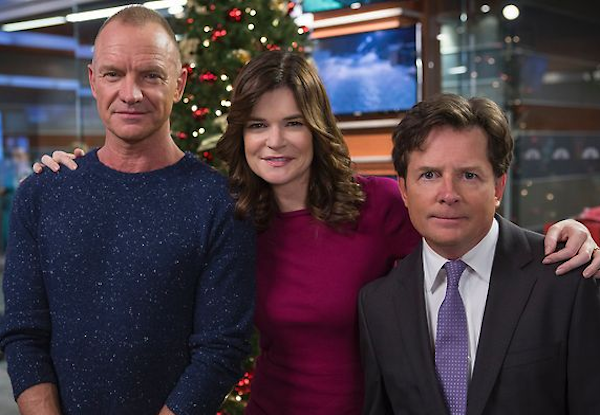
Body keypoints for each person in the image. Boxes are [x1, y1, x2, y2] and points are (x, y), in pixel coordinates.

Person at [33, 52, 600, 414]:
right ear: (242, 134)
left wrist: (567, 233)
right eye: (258, 125)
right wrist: (75, 173)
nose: (274, 141)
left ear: (317, 128)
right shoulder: (231, 216)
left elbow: (468, 241)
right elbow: (143, 224)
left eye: (292, 123)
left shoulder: (380, 203)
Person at [0, 6, 255, 415]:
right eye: (113, 74)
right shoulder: (42, 194)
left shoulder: (220, 203)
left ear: (179, 84)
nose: (130, 93)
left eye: (151, 75)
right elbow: (23, 334)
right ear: (93, 81)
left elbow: (220, 350)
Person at [358, 93, 600, 415]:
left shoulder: (564, 277)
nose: (448, 194)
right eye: (429, 175)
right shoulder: (377, 305)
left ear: (498, 187)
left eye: (468, 175)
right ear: (403, 189)